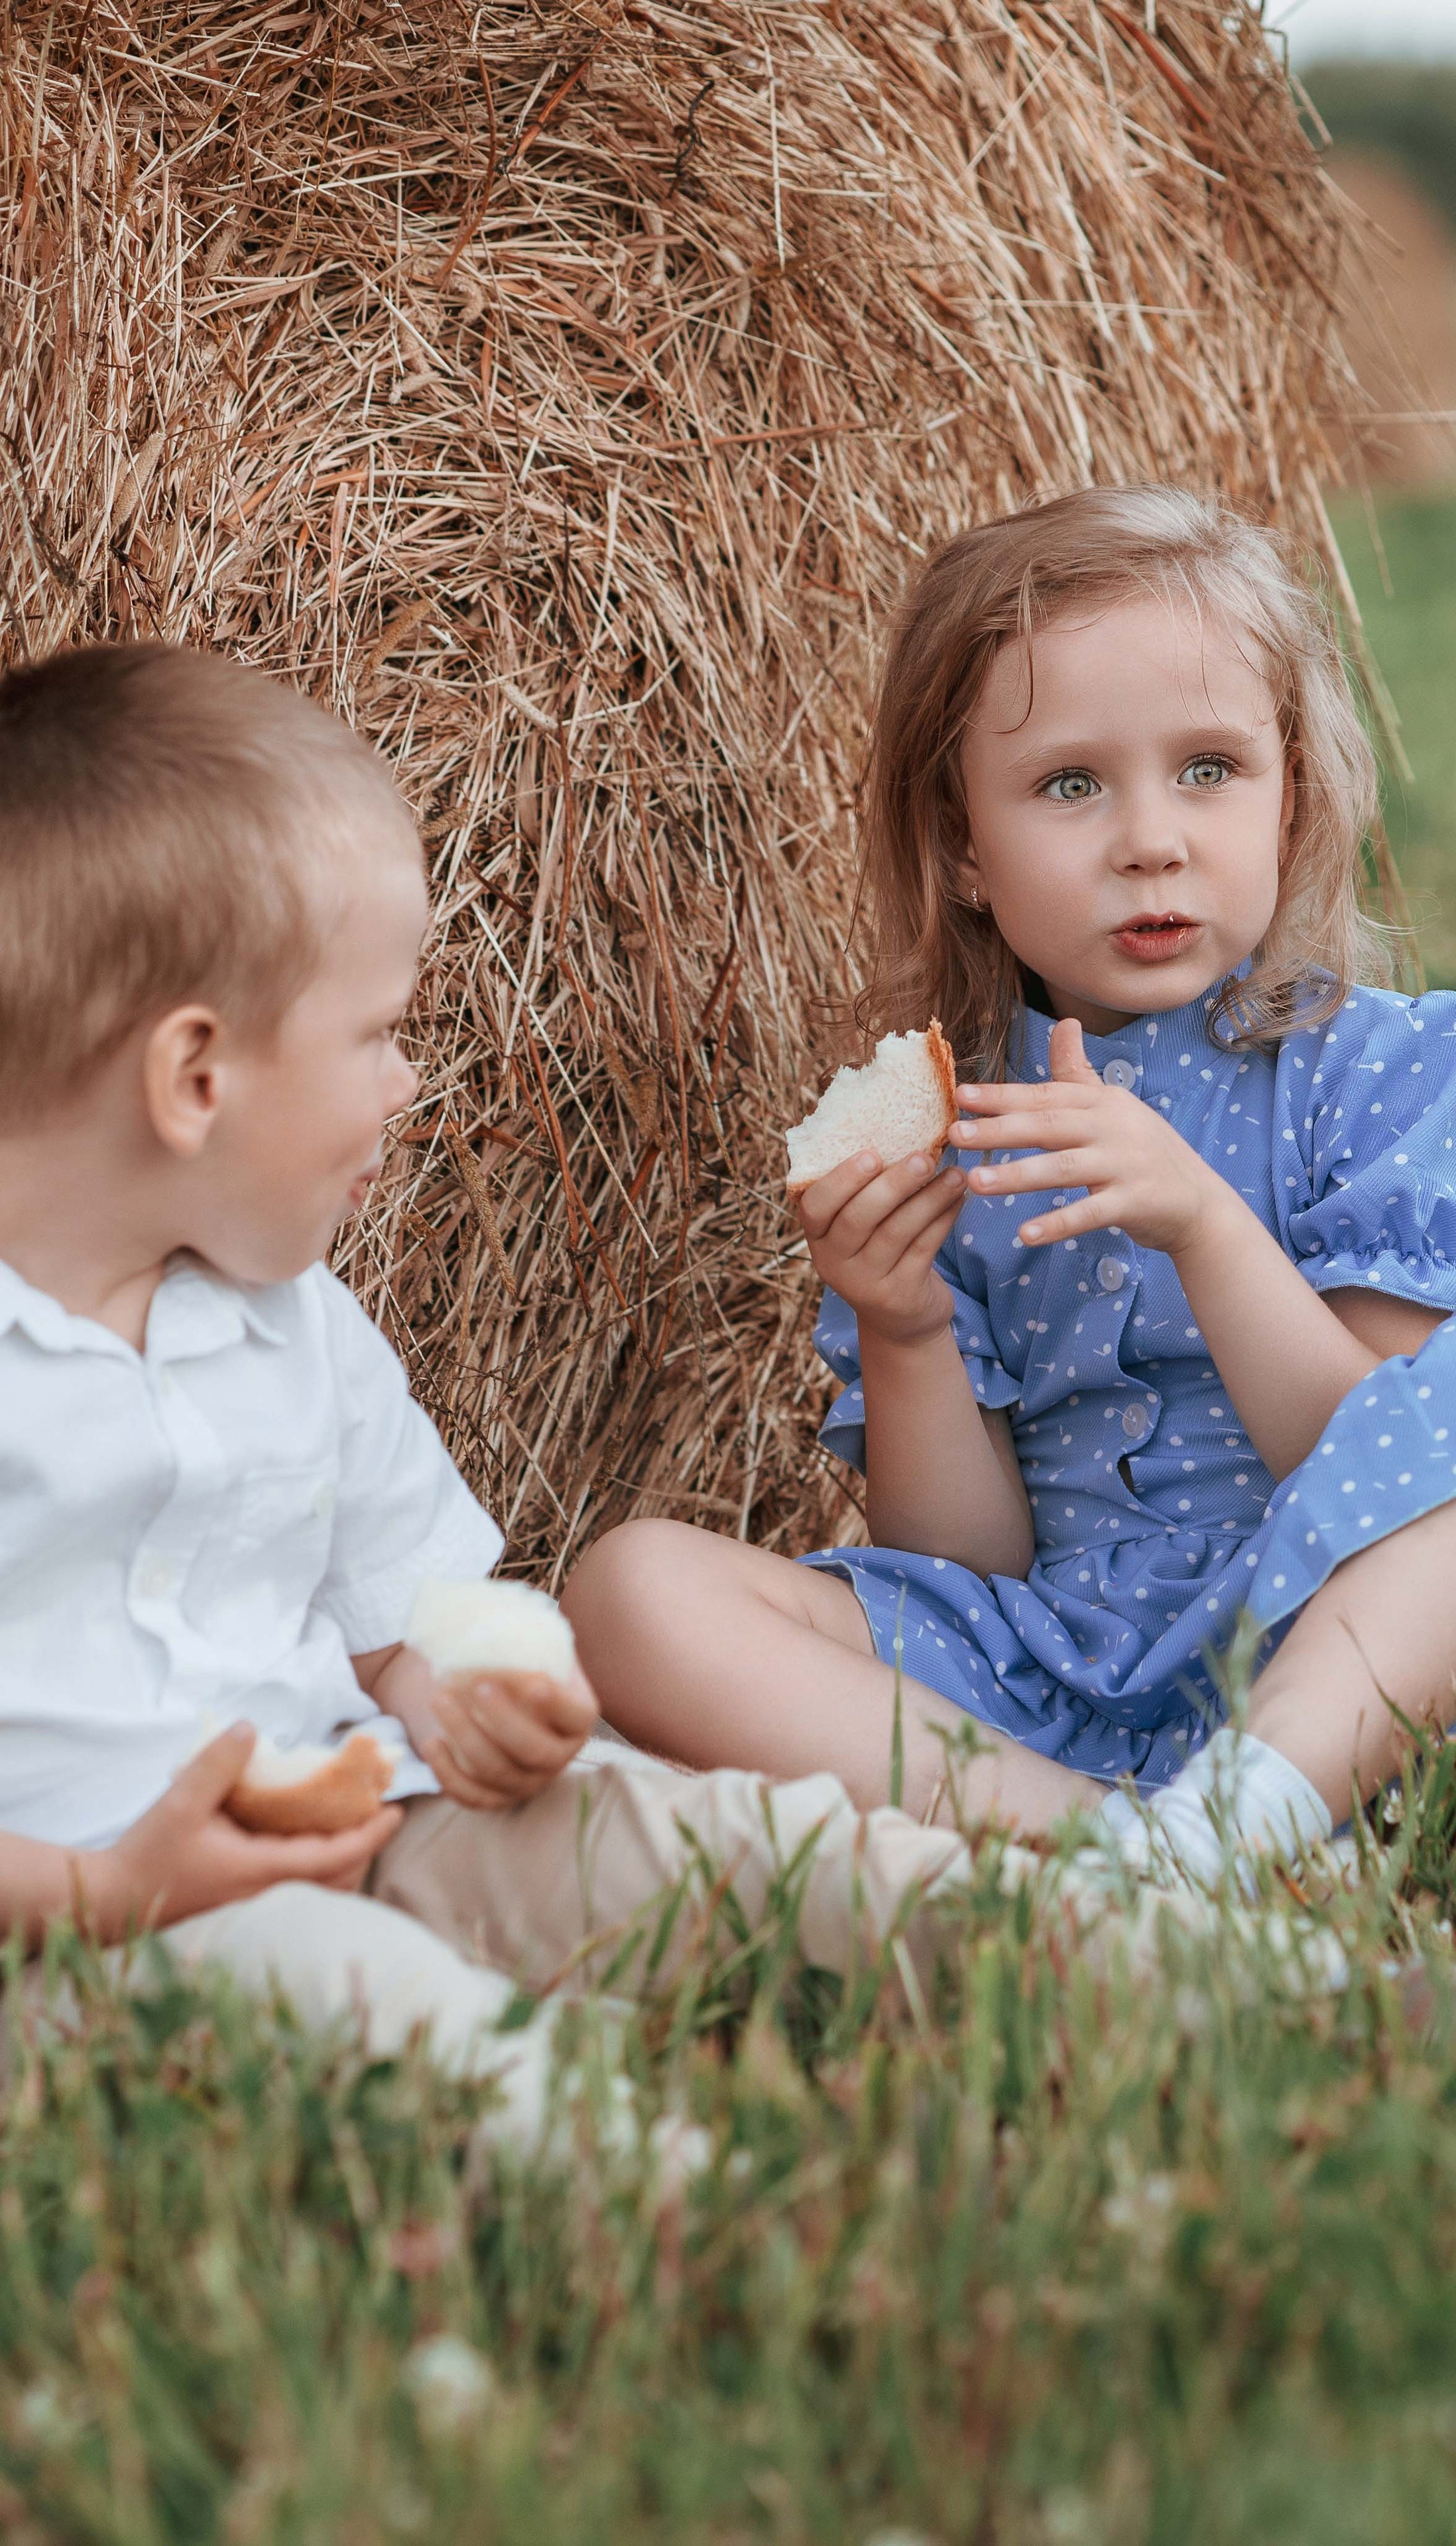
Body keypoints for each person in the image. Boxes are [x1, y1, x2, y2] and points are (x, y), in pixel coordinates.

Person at [567, 485, 1456, 1884]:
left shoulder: (1371, 1072)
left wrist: (1204, 1224)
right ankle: (1123, 1850)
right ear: (964, 848)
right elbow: (963, 1565)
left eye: (1209, 768)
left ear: (1291, 798)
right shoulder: (953, 1131)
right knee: (630, 1592)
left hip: (1343, 1650)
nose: (1149, 837)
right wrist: (906, 1328)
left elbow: (1390, 1456)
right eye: (1069, 785)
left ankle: (1260, 1805)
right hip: (1055, 1666)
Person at [0, 643, 1010, 2150]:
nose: (410, 1083)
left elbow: (411, 1615)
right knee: (386, 2016)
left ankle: (1152, 1962)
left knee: (717, 1847)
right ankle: (688, 2214)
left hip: (380, 1813)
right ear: (195, 1079)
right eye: (378, 1035)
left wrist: (482, 1692)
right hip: (91, 1931)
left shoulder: (297, 1327)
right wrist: (105, 1890)